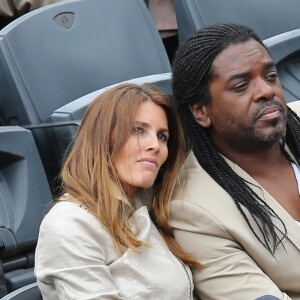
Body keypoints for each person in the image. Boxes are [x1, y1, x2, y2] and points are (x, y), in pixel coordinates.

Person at [170, 23, 300, 300]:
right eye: (241, 86)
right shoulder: (194, 211)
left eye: (271, 76)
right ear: (201, 111)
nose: (266, 91)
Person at [35, 83, 200, 299]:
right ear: (102, 137)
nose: (155, 145)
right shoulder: (70, 224)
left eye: (162, 136)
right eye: (138, 130)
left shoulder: (155, 206)